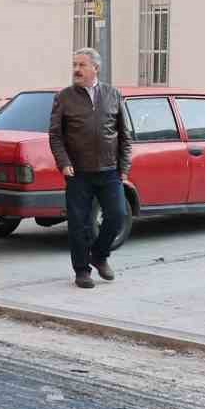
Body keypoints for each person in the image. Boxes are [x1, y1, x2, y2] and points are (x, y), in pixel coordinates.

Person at [48, 48, 132, 289]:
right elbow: (55, 135)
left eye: (82, 65)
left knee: (118, 215)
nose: (76, 69)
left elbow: (125, 136)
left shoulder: (113, 94)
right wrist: (64, 163)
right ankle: (82, 270)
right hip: (78, 173)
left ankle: (99, 255)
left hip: (109, 171)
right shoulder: (64, 97)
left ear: (95, 68)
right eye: (74, 64)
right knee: (79, 223)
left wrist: (123, 168)